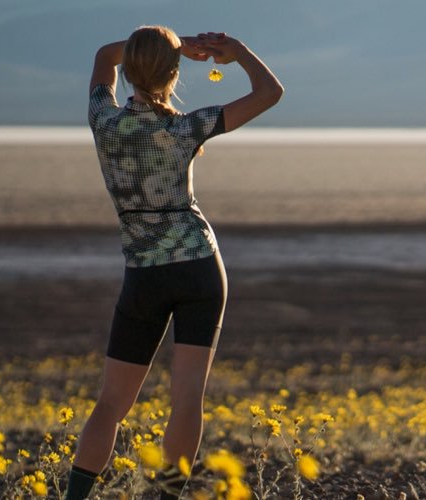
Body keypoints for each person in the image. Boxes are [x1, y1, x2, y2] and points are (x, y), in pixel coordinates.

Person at [64, 25, 282, 500]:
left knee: (111, 403)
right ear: (173, 74)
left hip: (144, 275)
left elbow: (104, 54)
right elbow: (270, 93)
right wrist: (235, 51)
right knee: (186, 399)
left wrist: (174, 42)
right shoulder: (186, 126)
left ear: (130, 71)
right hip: (199, 267)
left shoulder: (104, 120)